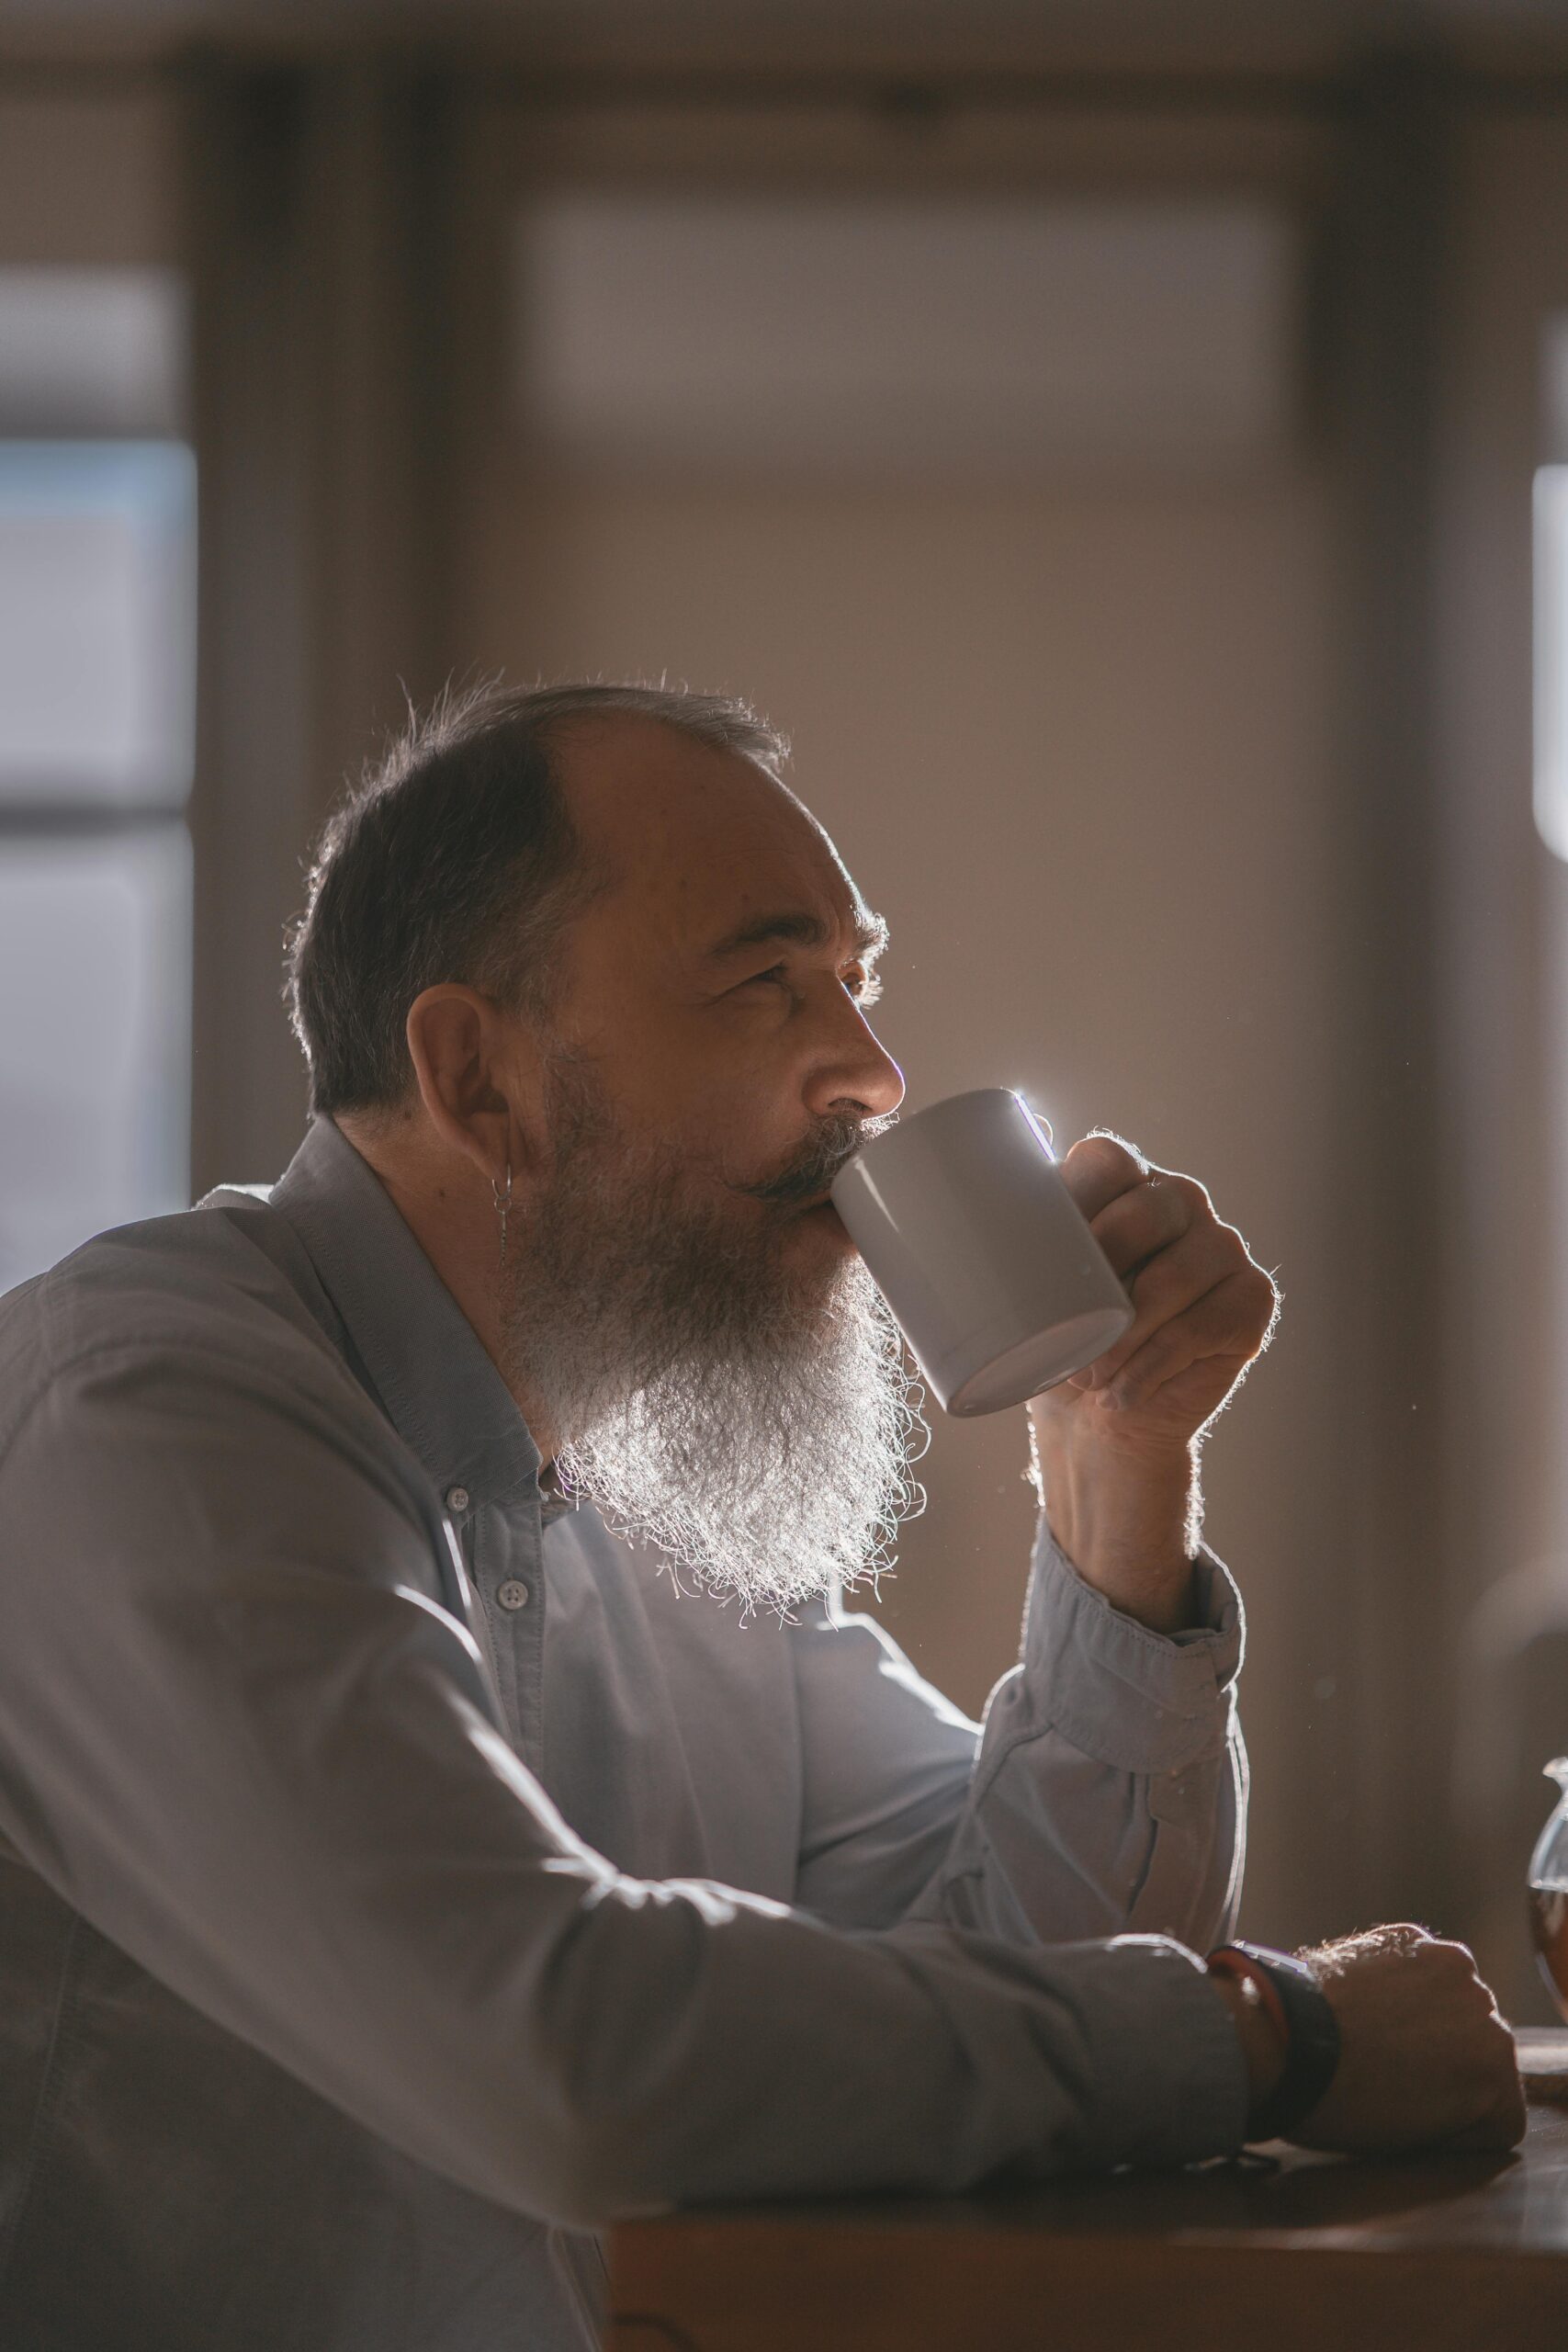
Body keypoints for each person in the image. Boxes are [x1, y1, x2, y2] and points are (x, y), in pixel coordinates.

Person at [0, 682, 1522, 2351]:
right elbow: (566, 2048)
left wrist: (1120, 1471)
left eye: (859, 983)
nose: (872, 1073)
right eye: (764, 982)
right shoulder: (145, 1411)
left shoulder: (639, 1471)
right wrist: (1273, 2039)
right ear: (477, 1074)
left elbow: (1038, 1960)